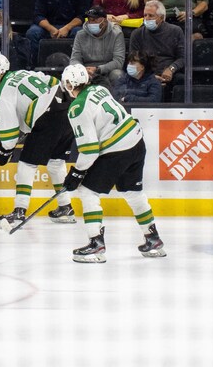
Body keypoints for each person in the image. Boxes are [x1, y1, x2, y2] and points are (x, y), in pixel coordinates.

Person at [59, 63, 166, 263]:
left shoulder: (77, 107)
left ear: (69, 83)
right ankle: (153, 239)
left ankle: (96, 244)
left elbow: (90, 149)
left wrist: (76, 173)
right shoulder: (99, 89)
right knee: (133, 193)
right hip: (136, 141)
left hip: (118, 149)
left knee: (87, 191)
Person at [0, 53, 77, 229]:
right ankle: (65, 207)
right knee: (56, 163)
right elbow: (55, 83)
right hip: (67, 109)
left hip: (47, 118)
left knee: (26, 163)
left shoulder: (3, 92)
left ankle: (19, 211)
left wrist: (5, 150)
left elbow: (9, 129)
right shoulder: (25, 73)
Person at [129, 0, 186, 94]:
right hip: (145, 72)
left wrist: (171, 69)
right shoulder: (137, 34)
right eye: (145, 15)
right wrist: (148, 76)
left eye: (151, 16)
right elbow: (133, 61)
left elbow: (183, 57)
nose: (146, 18)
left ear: (162, 17)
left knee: (181, 80)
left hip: (170, 72)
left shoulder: (175, 31)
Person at [70, 6, 126, 90]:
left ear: (105, 20)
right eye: (89, 20)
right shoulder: (80, 34)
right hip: (85, 71)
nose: (91, 23)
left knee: (118, 74)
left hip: (107, 70)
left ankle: (117, 101)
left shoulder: (116, 34)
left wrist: (98, 69)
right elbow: (74, 59)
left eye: (95, 20)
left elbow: (118, 62)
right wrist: (82, 70)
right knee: (71, 73)